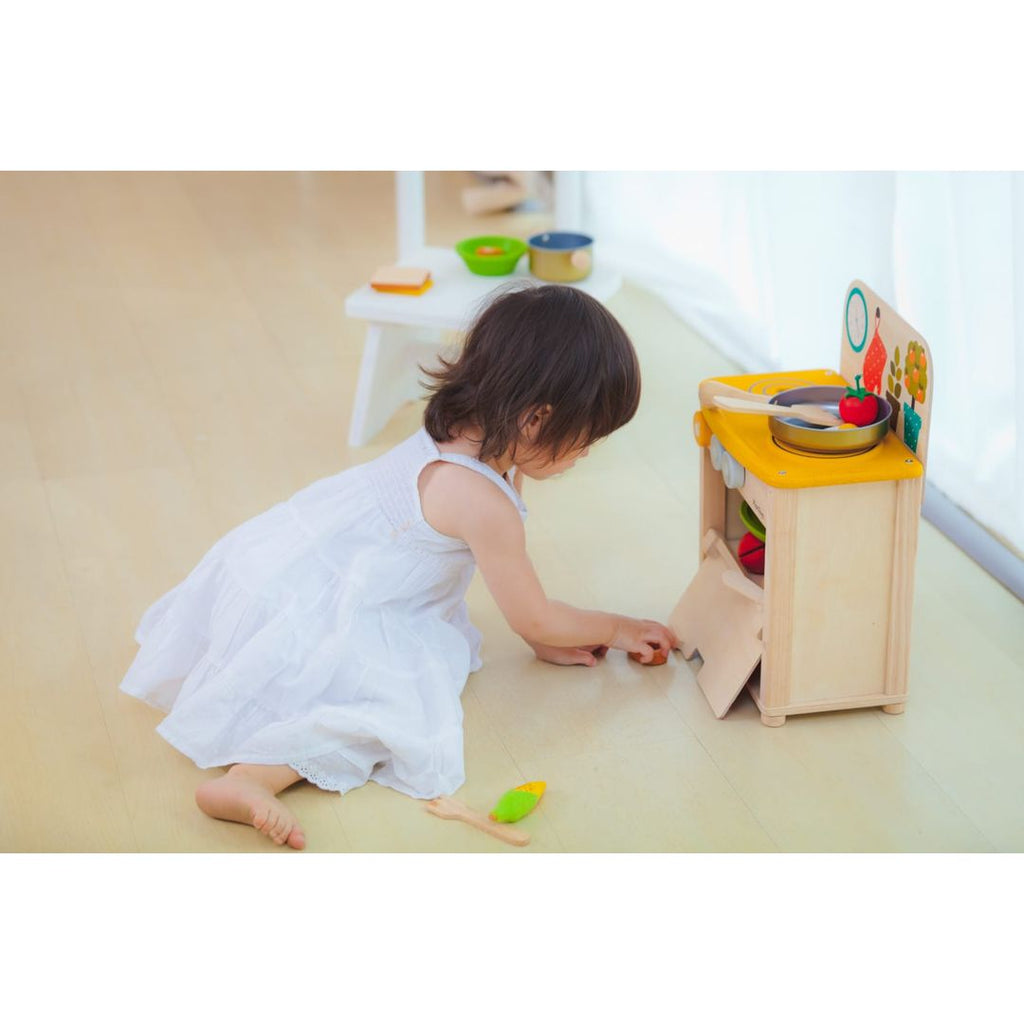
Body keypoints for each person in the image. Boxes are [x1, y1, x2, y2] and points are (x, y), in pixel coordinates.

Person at [120, 284, 678, 850]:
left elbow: (531, 621)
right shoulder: (483, 503)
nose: (585, 455)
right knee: (385, 709)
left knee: (346, 680)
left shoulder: (459, 427)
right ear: (536, 420)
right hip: (341, 610)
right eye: (585, 440)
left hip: (281, 569)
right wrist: (614, 627)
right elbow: (532, 615)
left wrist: (549, 644)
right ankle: (252, 778)